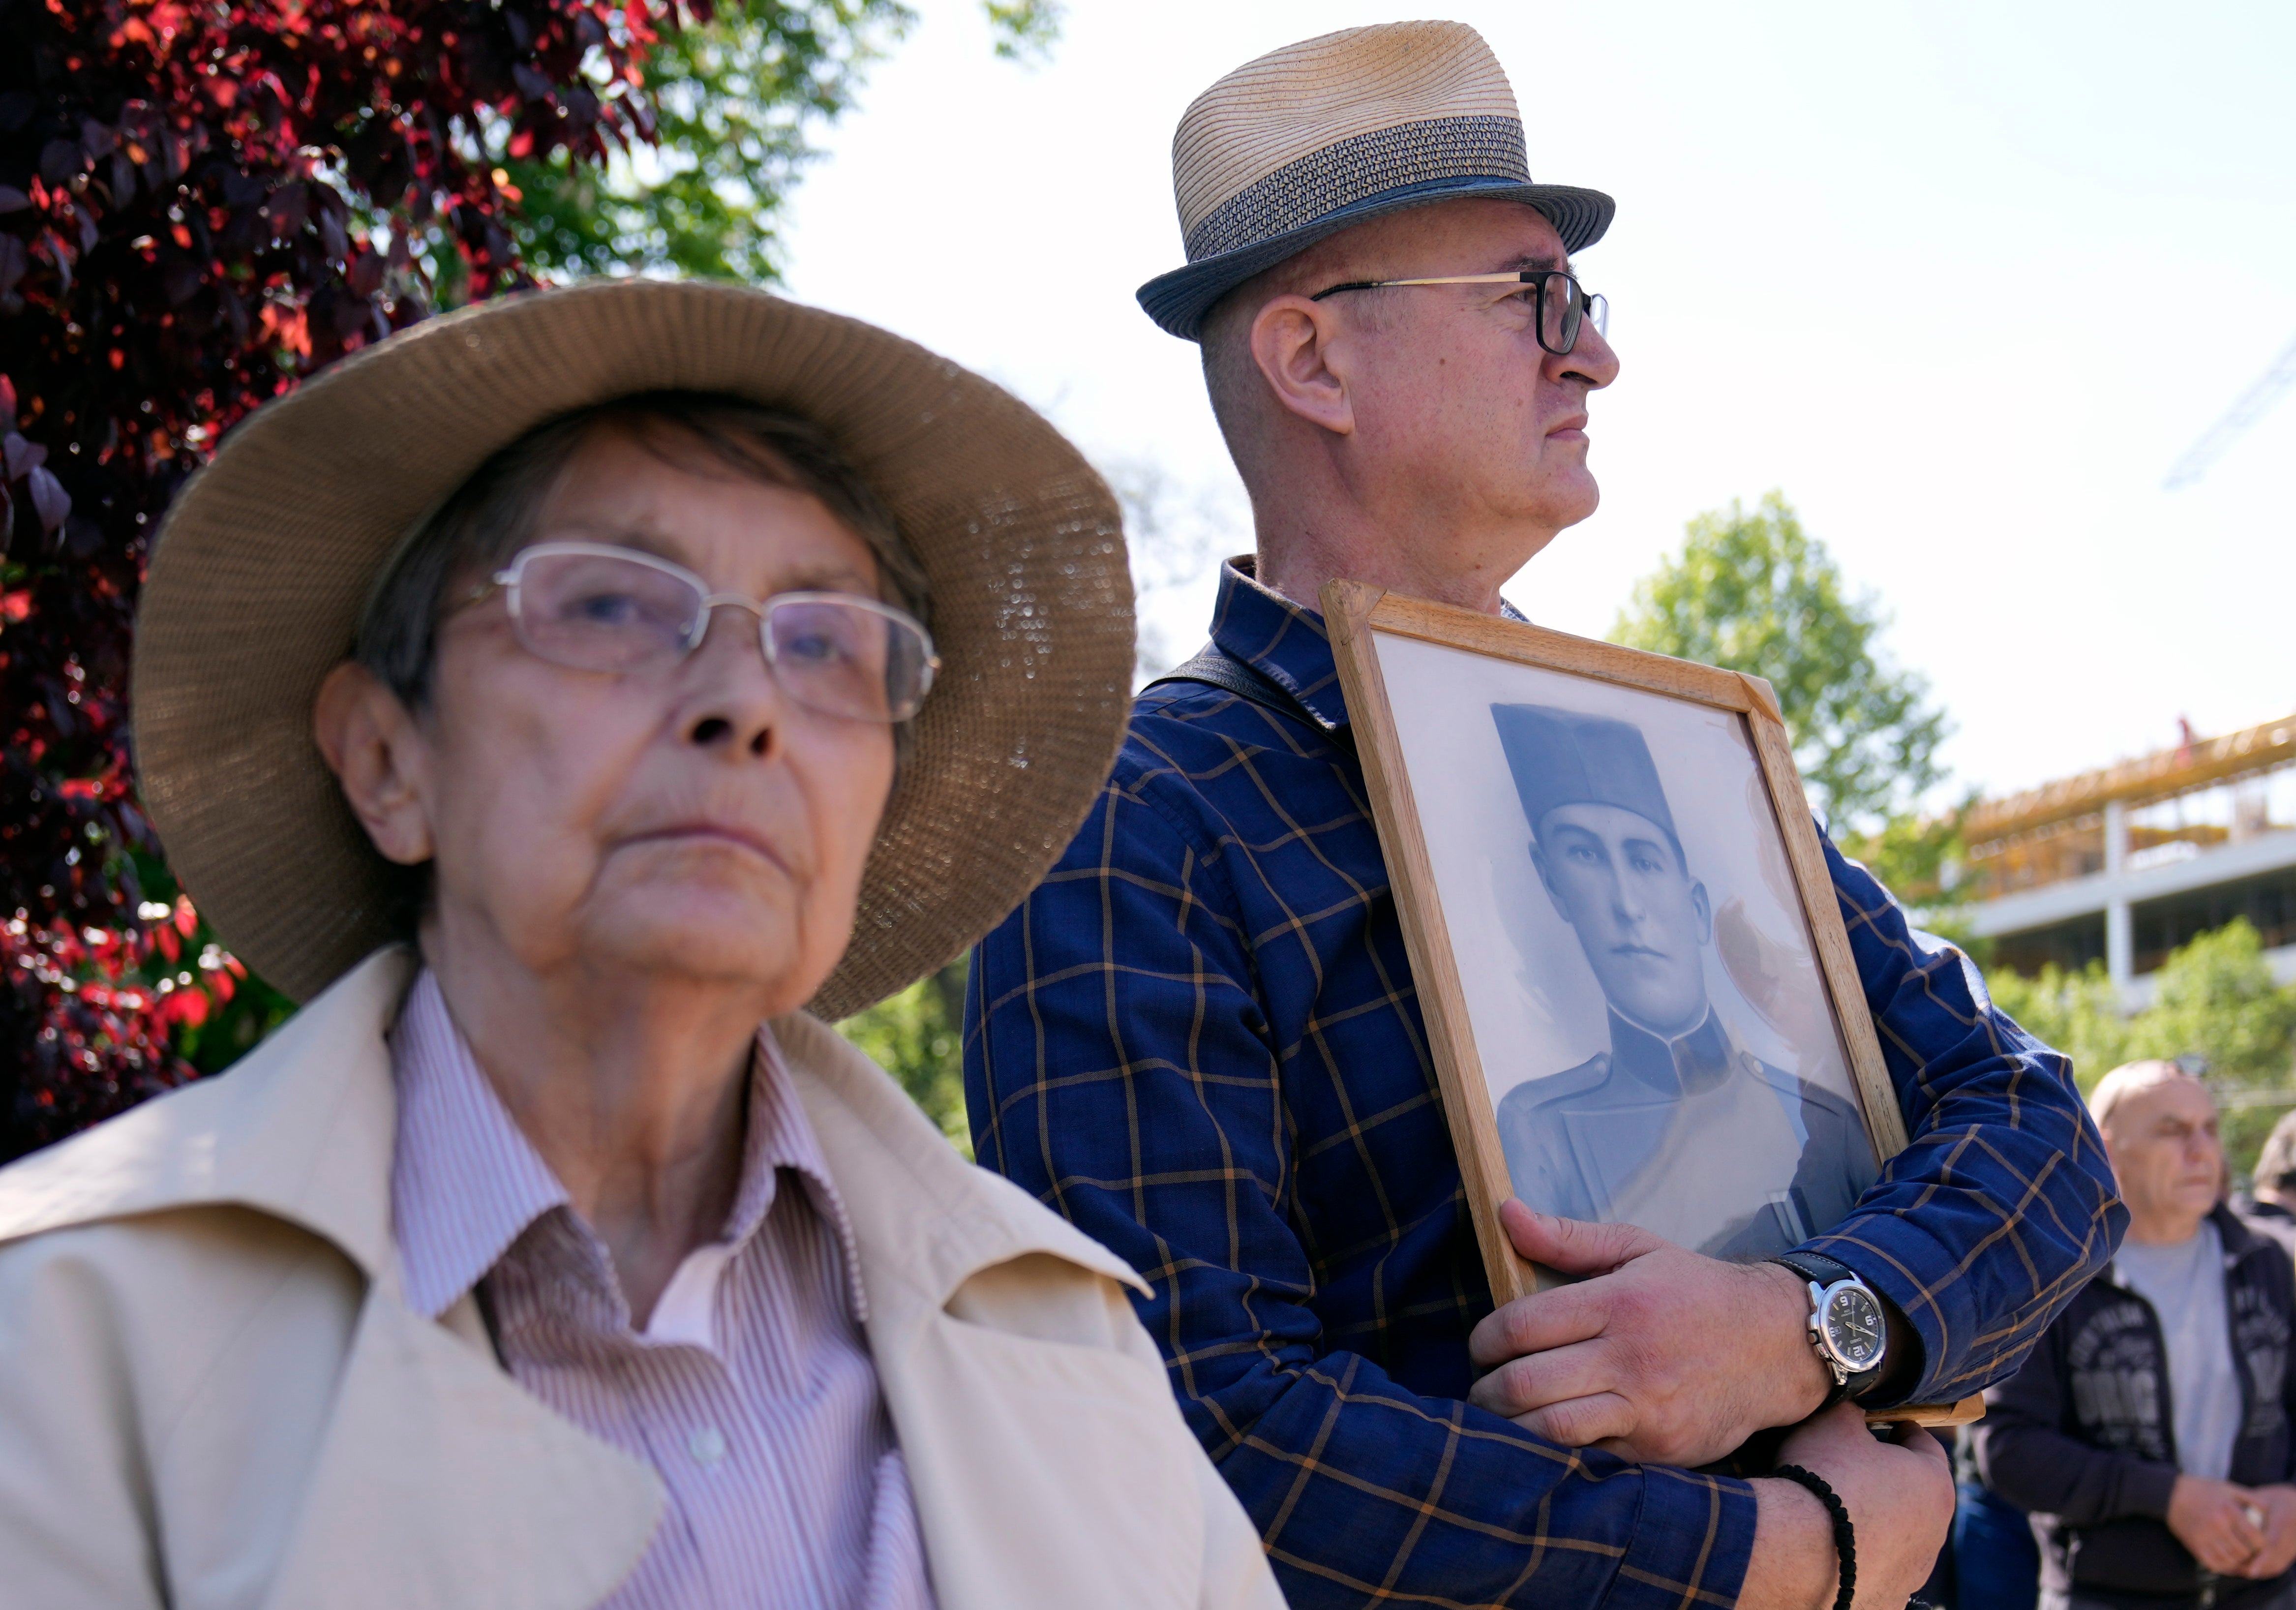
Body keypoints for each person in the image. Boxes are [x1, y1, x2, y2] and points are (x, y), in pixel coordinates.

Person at [964, 20, 2121, 1610]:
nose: (1591, 354)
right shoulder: (1128, 820)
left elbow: (2038, 1131)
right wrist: (1775, 1553)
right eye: (1535, 300)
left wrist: (1811, 1318)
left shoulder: (1684, 757)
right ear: (1312, 360)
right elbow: (1189, 1414)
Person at [0, 281, 1283, 1609]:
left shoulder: (1066, 1338)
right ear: (387, 760)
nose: (742, 705)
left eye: (828, 643)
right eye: (610, 607)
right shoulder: (67, 1339)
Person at [1489, 703, 1871, 1256]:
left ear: (1696, 908)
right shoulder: (1540, 1128)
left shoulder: (1823, 1117)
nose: (1625, 905)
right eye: (1584, 855)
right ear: (1553, 885)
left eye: (1643, 861)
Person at [1976, 1061, 2296, 1610]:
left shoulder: (2271, 1261)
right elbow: (2007, 1450)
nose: (2201, 1151)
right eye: (2172, 1131)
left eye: (2209, 1129)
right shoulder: (2051, 1274)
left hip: (2267, 1590)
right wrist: (2169, 1498)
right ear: (2106, 1147)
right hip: (2109, 1595)